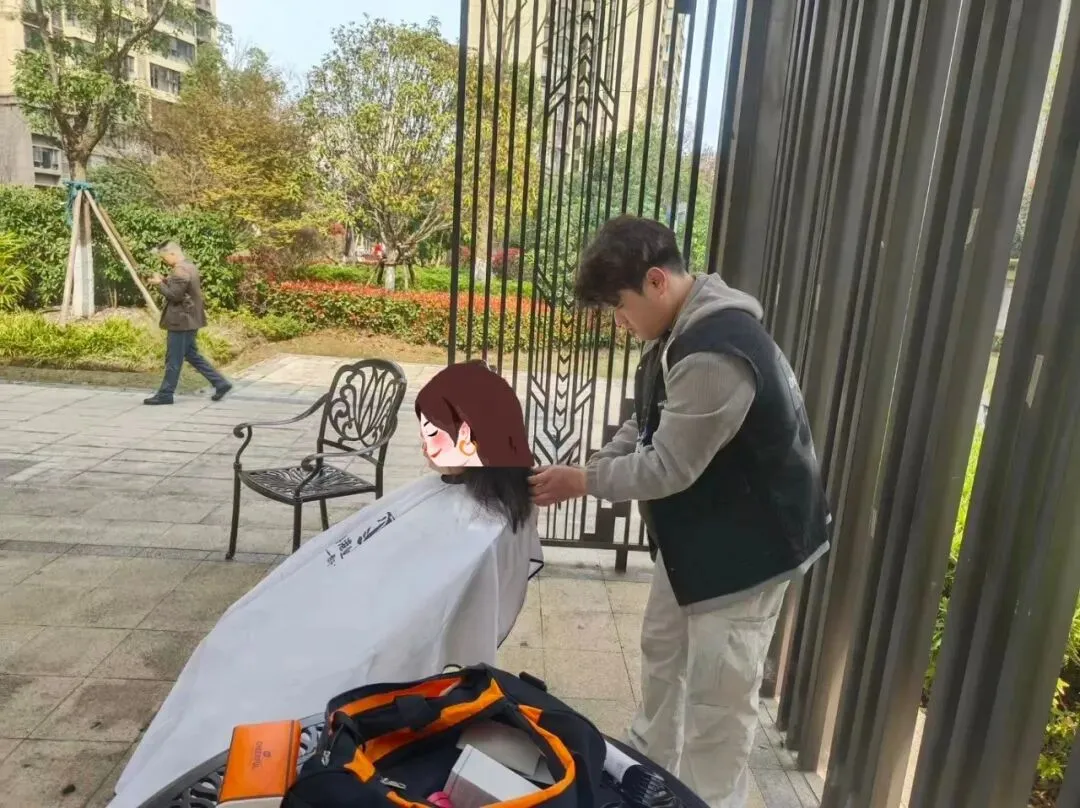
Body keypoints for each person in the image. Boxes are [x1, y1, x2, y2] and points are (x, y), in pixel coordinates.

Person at [109, 361, 542, 808]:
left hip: (369, 634)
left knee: (262, 668)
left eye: (434, 432)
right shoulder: (448, 494)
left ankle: (224, 767)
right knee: (240, 632)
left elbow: (430, 617)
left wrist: (349, 626)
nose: (423, 443)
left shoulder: (481, 526)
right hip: (348, 608)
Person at [530, 215, 831, 808]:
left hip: (750, 551)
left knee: (719, 697)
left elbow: (667, 466)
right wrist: (597, 463)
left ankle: (706, 799)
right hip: (701, 534)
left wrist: (585, 481)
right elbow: (648, 421)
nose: (619, 323)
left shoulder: (717, 353)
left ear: (655, 281)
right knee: (663, 649)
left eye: (619, 307)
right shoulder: (679, 330)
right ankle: (647, 771)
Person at [144, 241, 232, 406]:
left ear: (172, 254)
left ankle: (165, 394)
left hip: (181, 321)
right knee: (191, 355)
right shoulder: (189, 266)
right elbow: (183, 289)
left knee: (173, 359)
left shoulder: (180, 270)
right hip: (190, 319)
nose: (164, 260)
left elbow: (175, 295)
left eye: (164, 257)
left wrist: (159, 284)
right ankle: (220, 383)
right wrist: (165, 280)